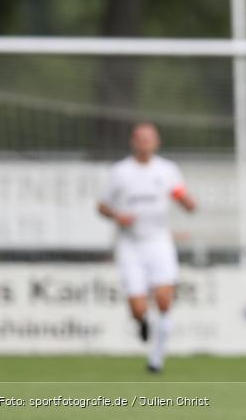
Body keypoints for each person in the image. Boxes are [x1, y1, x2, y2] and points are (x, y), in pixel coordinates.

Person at [97, 122, 195, 373]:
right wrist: (117, 216)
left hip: (159, 241)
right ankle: (142, 321)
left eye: (149, 138)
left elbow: (180, 194)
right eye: (140, 138)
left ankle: (156, 359)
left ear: (157, 142)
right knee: (138, 307)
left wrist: (186, 202)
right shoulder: (120, 171)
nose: (145, 142)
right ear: (133, 142)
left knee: (164, 300)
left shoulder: (168, 170)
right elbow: (103, 205)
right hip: (130, 245)